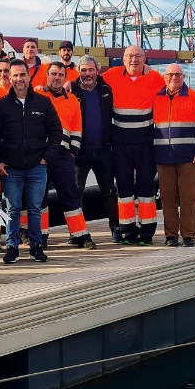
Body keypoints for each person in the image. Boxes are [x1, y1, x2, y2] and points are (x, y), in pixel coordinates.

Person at [0, 59, 62, 264]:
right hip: (11, 168)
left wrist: (46, 157)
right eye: (14, 75)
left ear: (28, 76)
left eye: (22, 74)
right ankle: (12, 247)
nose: (18, 79)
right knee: (13, 209)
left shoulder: (43, 103)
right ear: (10, 78)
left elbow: (56, 132)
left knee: (34, 208)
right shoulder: (2, 105)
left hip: (36, 166)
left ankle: (36, 246)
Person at [101, 45, 166, 245]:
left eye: (138, 56)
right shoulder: (111, 75)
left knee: (146, 188)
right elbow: (88, 80)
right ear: (123, 59)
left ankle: (147, 232)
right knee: (124, 189)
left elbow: (175, 88)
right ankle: (127, 231)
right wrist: (70, 83)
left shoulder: (155, 78)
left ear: (145, 59)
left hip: (145, 143)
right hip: (121, 144)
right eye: (130, 56)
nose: (133, 60)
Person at [153, 64, 195, 247]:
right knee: (167, 198)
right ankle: (171, 235)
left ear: (184, 77)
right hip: (164, 157)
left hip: (189, 158)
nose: (174, 78)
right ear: (164, 77)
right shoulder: (156, 98)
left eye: (178, 74)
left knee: (188, 198)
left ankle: (188, 235)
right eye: (170, 74)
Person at [37, 63, 96, 249]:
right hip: (41, 155)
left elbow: (77, 129)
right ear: (47, 75)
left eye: (60, 74)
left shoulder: (72, 100)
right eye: (53, 74)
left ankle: (80, 235)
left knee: (70, 194)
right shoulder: (36, 97)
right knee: (39, 196)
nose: (57, 77)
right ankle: (40, 237)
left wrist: (73, 153)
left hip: (63, 155)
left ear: (65, 77)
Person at [70, 55, 120, 243]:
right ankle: (77, 232)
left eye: (91, 70)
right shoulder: (71, 90)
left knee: (109, 191)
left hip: (103, 150)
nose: (87, 74)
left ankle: (115, 228)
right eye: (83, 70)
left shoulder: (107, 89)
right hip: (79, 151)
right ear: (78, 72)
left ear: (97, 71)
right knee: (76, 193)